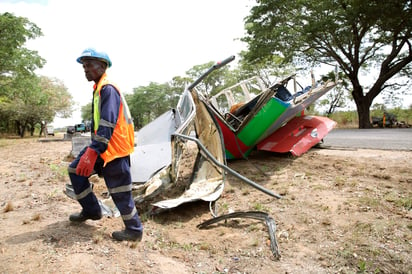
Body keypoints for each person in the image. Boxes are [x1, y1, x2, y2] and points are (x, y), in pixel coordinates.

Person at [67, 48, 143, 242]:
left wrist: (93, 152)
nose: (85, 69)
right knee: (76, 171)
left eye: (89, 65)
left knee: (120, 191)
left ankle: (134, 230)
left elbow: (107, 123)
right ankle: (92, 210)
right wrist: (94, 149)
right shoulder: (99, 88)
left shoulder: (108, 88)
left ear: (102, 66)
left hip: (114, 149)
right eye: (84, 66)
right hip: (103, 147)